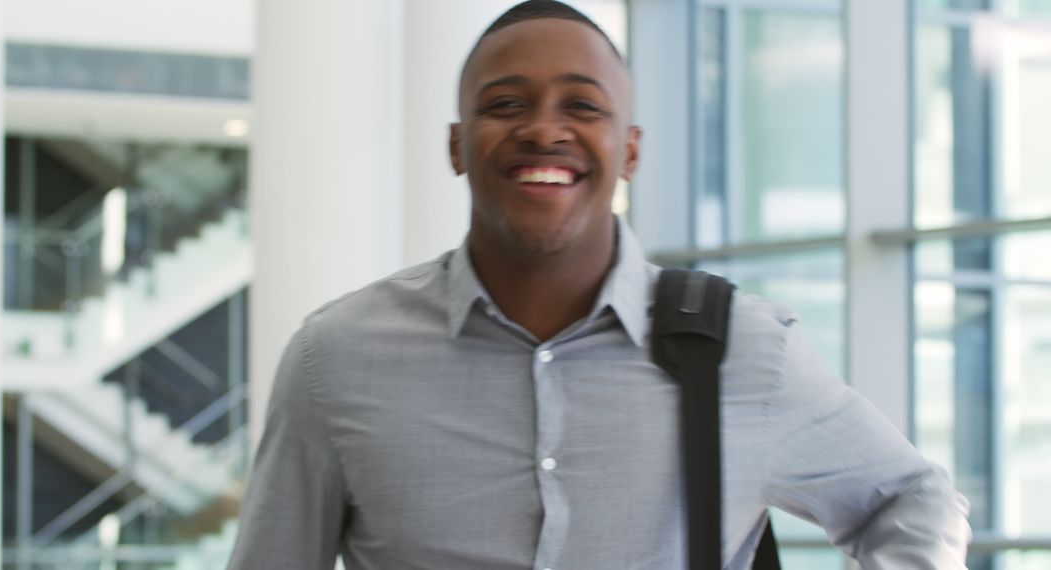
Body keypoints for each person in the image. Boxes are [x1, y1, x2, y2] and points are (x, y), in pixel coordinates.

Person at [227, 2, 971, 568]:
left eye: (582, 106)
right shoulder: (337, 362)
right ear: (457, 144)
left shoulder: (746, 352)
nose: (544, 130)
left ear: (631, 150)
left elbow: (913, 499)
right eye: (504, 105)